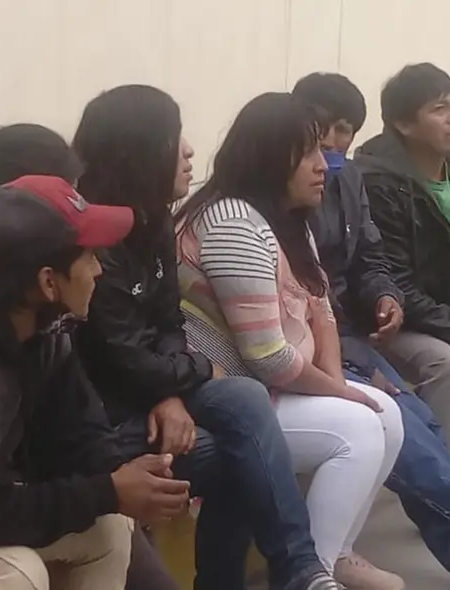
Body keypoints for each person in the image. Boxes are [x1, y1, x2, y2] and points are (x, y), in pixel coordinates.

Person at [70, 84, 340, 590]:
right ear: (138, 151)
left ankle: (300, 570)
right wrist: (184, 378)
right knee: (241, 453)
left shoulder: (150, 222)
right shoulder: (95, 242)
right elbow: (118, 355)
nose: (190, 151)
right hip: (109, 418)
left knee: (242, 397)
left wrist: (172, 390)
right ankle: (286, 571)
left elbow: (169, 322)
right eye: (175, 138)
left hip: (157, 391)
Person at [175, 91, 405, 590]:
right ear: (268, 156)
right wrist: (341, 392)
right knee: (360, 428)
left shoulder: (286, 218)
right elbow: (267, 358)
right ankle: (305, 575)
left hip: (273, 388)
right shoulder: (232, 221)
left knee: (386, 414)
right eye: (308, 153)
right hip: (232, 396)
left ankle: (331, 557)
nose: (324, 166)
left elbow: (322, 309)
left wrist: (340, 381)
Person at [0, 124, 183, 590]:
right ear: (48, 282)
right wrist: (108, 490)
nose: (100, 270)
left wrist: (131, 480)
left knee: (111, 528)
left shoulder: (45, 329)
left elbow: (81, 434)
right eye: (90, 257)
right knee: (19, 574)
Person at [295, 71, 450, 571]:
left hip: (351, 336)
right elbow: (300, 310)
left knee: (420, 427)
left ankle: (330, 555)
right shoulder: (263, 205)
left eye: (348, 130)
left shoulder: (350, 179)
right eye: (326, 129)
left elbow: (372, 260)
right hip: (312, 351)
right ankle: (322, 562)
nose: (336, 145)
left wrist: (384, 295)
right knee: (407, 434)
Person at [356, 63, 450, 445]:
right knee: (444, 364)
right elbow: (398, 287)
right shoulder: (379, 182)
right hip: (398, 320)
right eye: (441, 109)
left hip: (438, 310)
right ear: (404, 124)